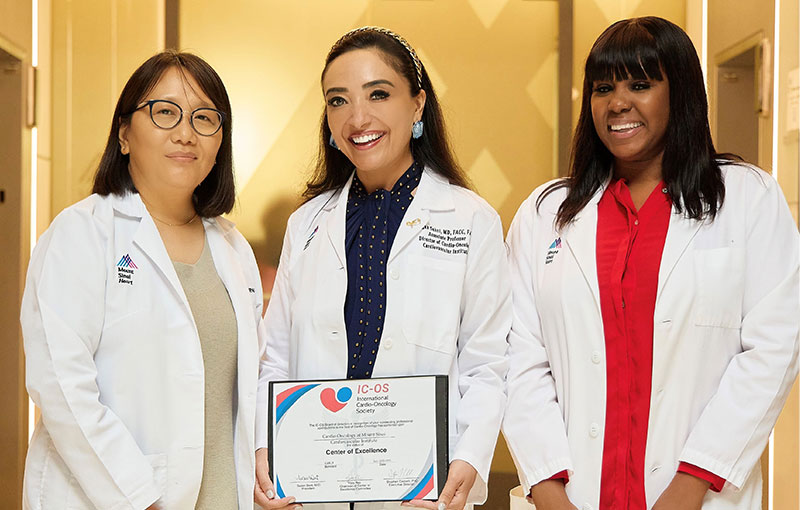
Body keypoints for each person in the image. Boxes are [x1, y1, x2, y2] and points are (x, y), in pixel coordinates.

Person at [502, 16, 799, 510]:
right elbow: (519, 361)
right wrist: (550, 493)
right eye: (603, 88)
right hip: (572, 497)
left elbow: (772, 351)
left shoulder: (748, 198)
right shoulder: (545, 214)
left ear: (679, 92)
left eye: (641, 84)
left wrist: (690, 486)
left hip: (695, 496)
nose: (618, 103)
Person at [255, 27, 510, 510]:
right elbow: (276, 358)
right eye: (338, 100)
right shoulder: (307, 225)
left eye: (379, 94)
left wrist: (468, 459)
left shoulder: (471, 220)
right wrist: (266, 453)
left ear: (417, 106)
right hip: (314, 490)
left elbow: (487, 363)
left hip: (424, 493)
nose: (357, 117)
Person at [22, 50, 269, 510]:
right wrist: (142, 499)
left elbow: (248, 394)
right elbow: (62, 387)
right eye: (165, 112)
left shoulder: (234, 249)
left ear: (221, 143)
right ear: (124, 134)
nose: (185, 133)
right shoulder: (82, 234)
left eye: (204, 118)